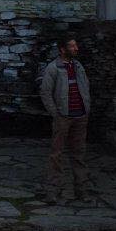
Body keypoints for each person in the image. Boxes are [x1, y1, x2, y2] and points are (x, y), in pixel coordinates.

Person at [39, 36, 92, 201]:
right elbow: (46, 92)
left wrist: (86, 108)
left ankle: (82, 191)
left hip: (80, 116)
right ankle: (53, 191)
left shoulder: (78, 67)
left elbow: (85, 87)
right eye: (72, 46)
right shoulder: (53, 68)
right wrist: (56, 113)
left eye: (76, 45)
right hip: (63, 117)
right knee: (57, 155)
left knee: (79, 154)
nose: (76, 48)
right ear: (62, 49)